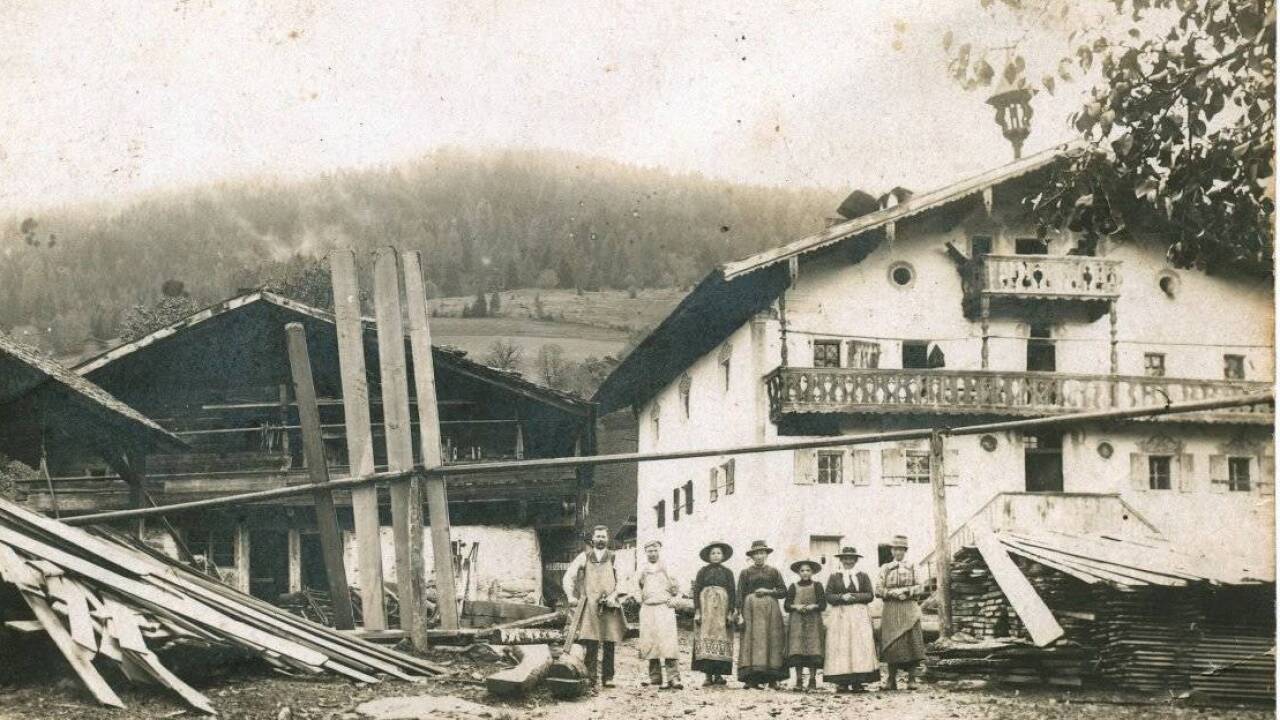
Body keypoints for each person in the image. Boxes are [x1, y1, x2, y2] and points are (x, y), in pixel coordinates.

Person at [562, 525, 626, 689]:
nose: (600, 539)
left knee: (609, 642)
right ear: (593, 539)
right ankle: (591, 677)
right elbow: (568, 577)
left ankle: (608, 677)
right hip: (590, 604)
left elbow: (624, 581)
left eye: (603, 536)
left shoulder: (614, 557)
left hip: (609, 605)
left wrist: (614, 596)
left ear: (608, 539)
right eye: (598, 536)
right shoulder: (584, 557)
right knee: (591, 642)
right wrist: (570, 596)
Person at [823, 546, 880, 693]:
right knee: (841, 646)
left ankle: (858, 682)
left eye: (851, 558)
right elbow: (828, 595)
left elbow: (869, 595)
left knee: (859, 646)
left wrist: (853, 597)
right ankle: (842, 682)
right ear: (841, 560)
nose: (848, 561)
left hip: (859, 615)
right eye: (845, 558)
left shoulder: (862, 576)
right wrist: (842, 597)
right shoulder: (834, 576)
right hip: (840, 615)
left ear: (855, 560)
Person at [629, 540, 683, 690]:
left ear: (659, 551)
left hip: (664, 608)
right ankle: (655, 676)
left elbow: (678, 587)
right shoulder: (642, 569)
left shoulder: (667, 567)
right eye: (649, 551)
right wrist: (640, 599)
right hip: (648, 608)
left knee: (668, 642)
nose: (652, 553)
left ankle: (674, 677)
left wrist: (674, 600)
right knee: (650, 641)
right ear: (645, 552)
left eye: (655, 550)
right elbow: (634, 586)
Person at [876, 534, 928, 691]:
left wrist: (906, 591)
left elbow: (921, 586)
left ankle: (912, 679)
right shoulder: (884, 568)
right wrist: (892, 593)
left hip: (909, 607)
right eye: (895, 549)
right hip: (891, 608)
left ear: (905, 550)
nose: (898, 552)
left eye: (901, 549)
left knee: (911, 641)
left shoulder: (913, 566)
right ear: (891, 551)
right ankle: (891, 679)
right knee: (892, 643)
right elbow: (878, 589)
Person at [736, 540, 788, 690]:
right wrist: (738, 612)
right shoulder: (745, 573)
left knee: (772, 641)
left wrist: (768, 591)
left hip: (771, 609)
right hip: (750, 608)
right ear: (752, 556)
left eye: (762, 553)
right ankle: (751, 678)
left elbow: (783, 591)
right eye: (756, 553)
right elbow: (740, 593)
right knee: (751, 641)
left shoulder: (773, 571)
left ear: (766, 554)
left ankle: (773, 679)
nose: (759, 556)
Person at [691, 540, 736, 686]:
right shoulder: (702, 572)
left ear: (723, 556)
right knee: (706, 638)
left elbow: (732, 592)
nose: (716, 556)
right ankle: (708, 676)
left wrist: (730, 612)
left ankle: (719, 675)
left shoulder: (728, 573)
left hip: (722, 609)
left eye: (718, 553)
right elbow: (697, 591)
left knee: (722, 639)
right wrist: (697, 611)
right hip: (706, 609)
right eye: (713, 553)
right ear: (708, 556)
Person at [783, 559, 826, 691]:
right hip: (797, 622)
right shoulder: (793, 586)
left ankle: (812, 680)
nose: (805, 573)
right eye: (802, 571)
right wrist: (796, 606)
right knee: (797, 650)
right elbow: (786, 605)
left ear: (812, 572)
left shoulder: (817, 586)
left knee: (813, 650)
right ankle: (799, 680)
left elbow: (823, 604)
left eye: (808, 570)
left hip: (813, 621)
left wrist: (814, 606)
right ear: (798, 572)